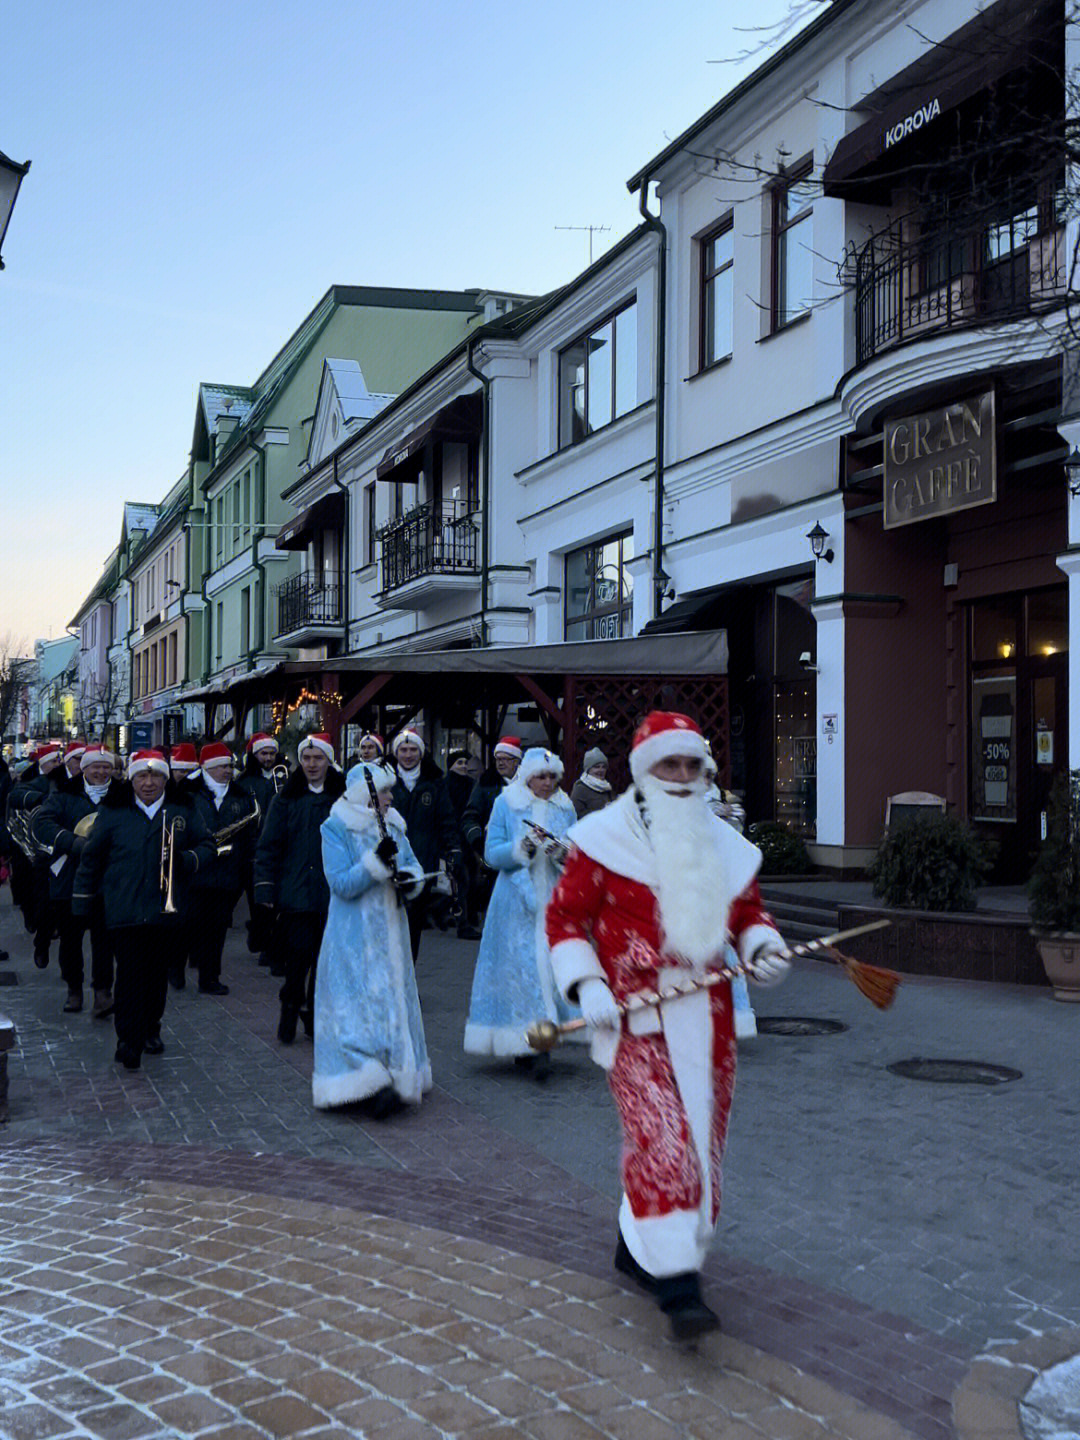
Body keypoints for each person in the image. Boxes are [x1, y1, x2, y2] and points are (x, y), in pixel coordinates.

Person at [546, 711, 791, 1341]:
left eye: (691, 765)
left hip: (708, 1023)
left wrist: (763, 949)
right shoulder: (601, 839)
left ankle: (637, 1246)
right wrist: (588, 983)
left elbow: (749, 914)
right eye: (669, 764)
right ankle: (679, 1284)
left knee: (702, 1150)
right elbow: (566, 920)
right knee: (665, 1144)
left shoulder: (725, 845)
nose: (681, 777)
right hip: (636, 1024)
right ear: (643, 770)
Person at [71, 749, 215, 1070]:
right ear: (131, 778)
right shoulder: (114, 811)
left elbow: (207, 844)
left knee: (155, 976)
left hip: (166, 910)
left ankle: (151, 1027)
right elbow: (91, 858)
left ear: (165, 778)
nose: (149, 783)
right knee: (130, 975)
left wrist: (190, 859)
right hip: (124, 908)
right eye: (142, 776)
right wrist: (81, 900)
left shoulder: (182, 809)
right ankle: (128, 1039)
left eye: (156, 776)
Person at [311, 760, 432, 1117]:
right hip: (352, 938)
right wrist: (375, 863)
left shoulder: (394, 823)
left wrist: (410, 879)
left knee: (393, 1004)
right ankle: (359, 1083)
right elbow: (342, 884)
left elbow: (411, 863)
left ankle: (395, 1076)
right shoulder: (335, 827)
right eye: (384, 791)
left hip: (392, 935)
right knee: (354, 1009)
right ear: (366, 793)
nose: (390, 797)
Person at [464, 746, 579, 1074]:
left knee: (547, 968)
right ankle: (523, 1041)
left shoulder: (564, 806)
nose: (547, 783)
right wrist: (523, 847)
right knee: (519, 972)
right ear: (527, 777)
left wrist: (560, 851)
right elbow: (492, 854)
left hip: (551, 899)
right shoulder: (506, 803)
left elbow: (577, 854)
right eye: (541, 777)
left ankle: (544, 1037)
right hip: (514, 902)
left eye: (552, 776)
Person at [254, 732, 346, 1044]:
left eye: (318, 758)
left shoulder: (343, 798)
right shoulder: (286, 799)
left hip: (333, 892)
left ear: (328, 761)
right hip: (295, 892)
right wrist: (265, 890)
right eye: (306, 758)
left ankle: (315, 1016)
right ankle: (290, 1006)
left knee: (326, 961)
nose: (311, 764)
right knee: (297, 959)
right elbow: (268, 847)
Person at [30, 743, 118, 1015]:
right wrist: (72, 842)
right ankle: (74, 990)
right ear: (84, 768)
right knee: (70, 939)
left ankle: (103, 992)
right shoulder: (64, 794)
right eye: (95, 767)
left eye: (106, 767)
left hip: (108, 879)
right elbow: (42, 823)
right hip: (70, 876)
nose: (101, 772)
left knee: (104, 940)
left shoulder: (123, 795)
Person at [181, 742, 259, 995]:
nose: (228, 771)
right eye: (223, 766)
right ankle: (176, 964)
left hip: (227, 872)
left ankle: (210, 977)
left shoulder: (240, 795)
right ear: (209, 768)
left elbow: (249, 834)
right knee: (190, 924)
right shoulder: (188, 794)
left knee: (216, 928)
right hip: (194, 871)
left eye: (230, 766)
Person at [389, 728, 463, 962]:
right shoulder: (386, 780)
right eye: (403, 749)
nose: (408, 755)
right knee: (389, 926)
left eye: (413, 750)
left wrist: (453, 848)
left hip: (422, 864)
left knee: (412, 927)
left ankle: (408, 984)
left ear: (420, 753)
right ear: (396, 752)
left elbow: (446, 819)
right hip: (390, 863)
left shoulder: (434, 783)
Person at [236, 733, 286, 961]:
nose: (268, 758)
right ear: (254, 755)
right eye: (263, 754)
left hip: (279, 847)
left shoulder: (286, 779)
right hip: (251, 848)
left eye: (271, 753)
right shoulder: (244, 783)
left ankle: (268, 943)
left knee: (275, 899)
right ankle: (259, 934)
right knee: (256, 900)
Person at [444, 750, 482, 941]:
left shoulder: (472, 785)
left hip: (467, 838)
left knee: (471, 877)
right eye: (459, 762)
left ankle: (468, 915)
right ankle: (463, 922)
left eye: (465, 762)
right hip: (454, 839)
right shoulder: (446, 785)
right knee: (461, 881)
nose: (464, 766)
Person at [570, 747, 613, 819]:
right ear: (588, 769)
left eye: (603, 767)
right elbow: (576, 814)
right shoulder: (580, 788)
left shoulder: (607, 787)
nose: (601, 770)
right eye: (596, 767)